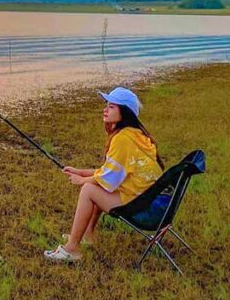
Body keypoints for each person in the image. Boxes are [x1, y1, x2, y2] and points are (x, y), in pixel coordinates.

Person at [43, 87, 164, 263]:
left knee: (88, 190)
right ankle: (88, 235)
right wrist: (81, 171)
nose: (105, 109)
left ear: (125, 112)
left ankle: (72, 249)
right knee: (94, 186)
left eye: (112, 106)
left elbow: (108, 179)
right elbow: (111, 172)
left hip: (142, 206)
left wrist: (82, 179)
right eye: (106, 105)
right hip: (147, 199)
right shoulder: (135, 134)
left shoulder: (123, 139)